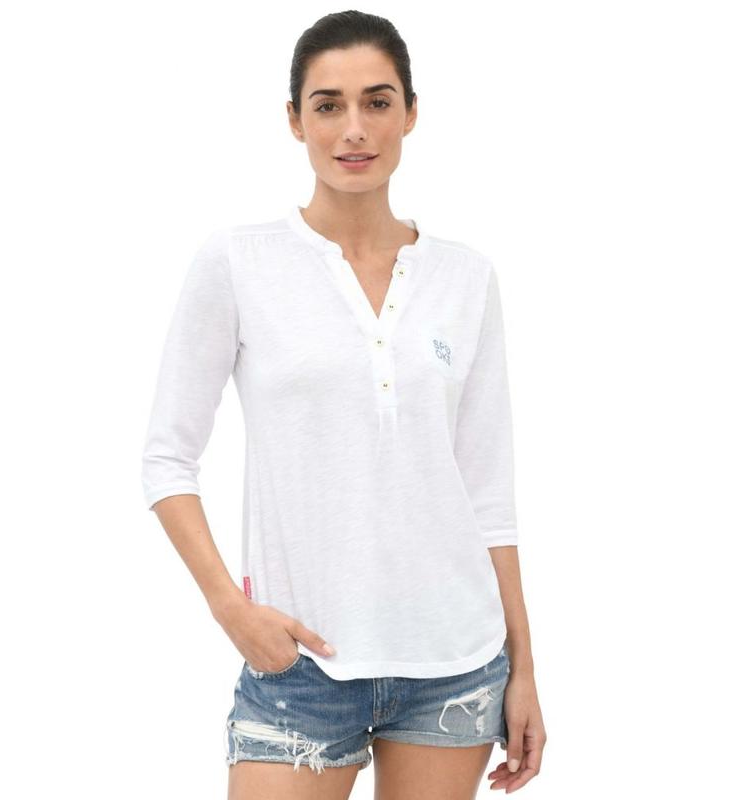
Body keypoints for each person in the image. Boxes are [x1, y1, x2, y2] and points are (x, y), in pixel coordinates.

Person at [140, 10, 545, 799]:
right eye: (328, 105)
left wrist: (523, 668)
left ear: (411, 113)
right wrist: (231, 610)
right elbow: (166, 458)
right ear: (296, 120)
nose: (354, 129)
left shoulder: (466, 278)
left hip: (454, 663)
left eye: (377, 102)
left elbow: (488, 495)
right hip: (298, 663)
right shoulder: (239, 263)